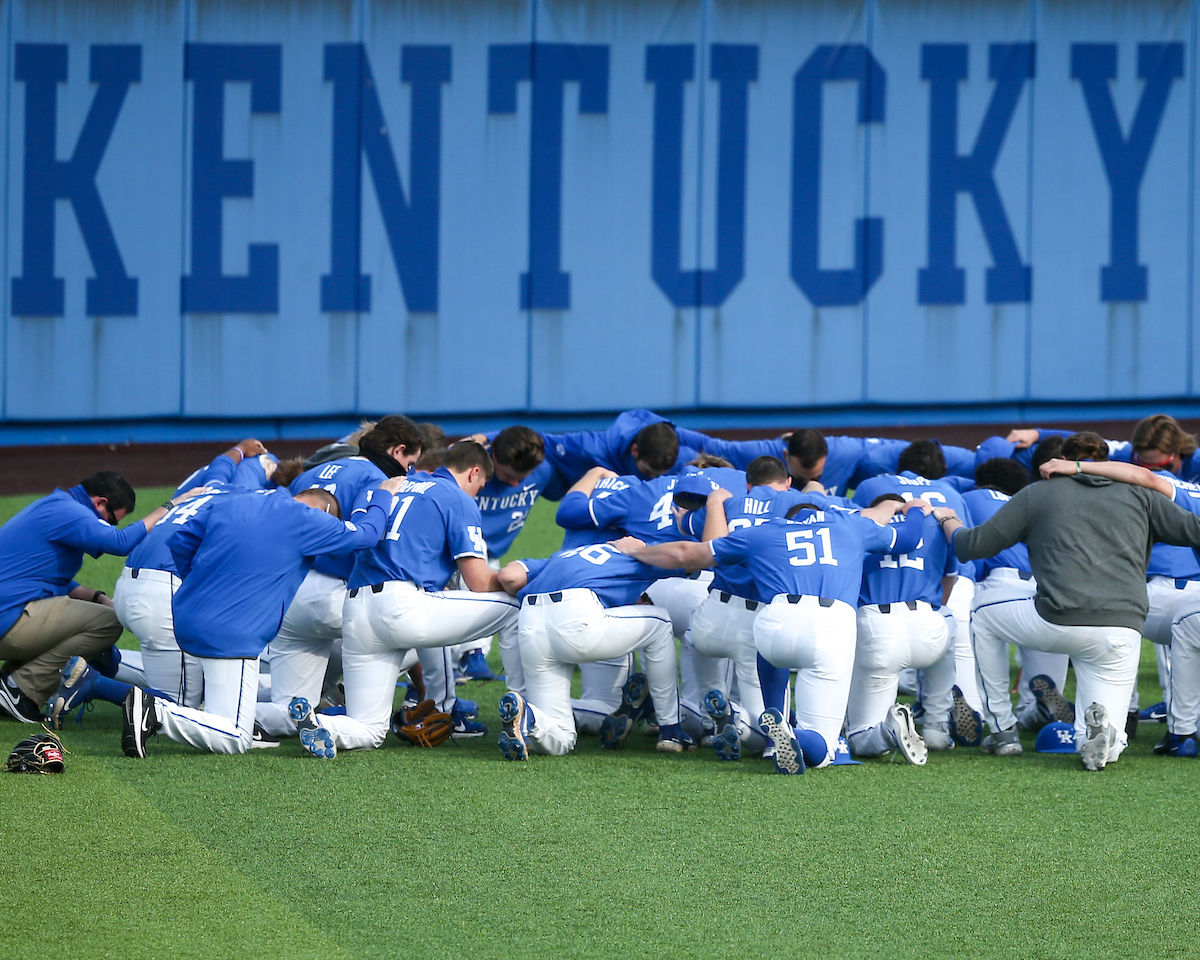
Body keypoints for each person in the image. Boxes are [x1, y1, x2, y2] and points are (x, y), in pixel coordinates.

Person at [932, 431, 1200, 771]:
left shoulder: (1039, 493)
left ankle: (1003, 729)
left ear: (1060, 460)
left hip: (1056, 619)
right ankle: (1106, 737)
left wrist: (948, 520)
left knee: (980, 612)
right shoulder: (1141, 496)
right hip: (1122, 628)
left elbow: (971, 546)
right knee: (1108, 741)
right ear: (1107, 462)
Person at [614, 496, 930, 772]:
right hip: (831, 624)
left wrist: (640, 551)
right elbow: (909, 538)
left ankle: (774, 721)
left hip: (775, 620)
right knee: (822, 748)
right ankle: (792, 734)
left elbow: (687, 554)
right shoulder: (850, 525)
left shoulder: (765, 531)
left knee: (771, 649)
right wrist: (915, 510)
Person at [120, 479, 404, 758]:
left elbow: (180, 542)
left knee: (220, 710)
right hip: (234, 631)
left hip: (187, 616)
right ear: (325, 513)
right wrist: (383, 494)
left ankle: (178, 711)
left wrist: (200, 584)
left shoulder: (236, 501)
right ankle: (157, 711)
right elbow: (366, 535)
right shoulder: (308, 519)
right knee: (235, 737)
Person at [308, 442, 520, 757]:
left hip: (355, 607)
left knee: (369, 728)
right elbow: (478, 581)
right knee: (516, 607)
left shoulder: (391, 486)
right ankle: (525, 711)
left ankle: (319, 724)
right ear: (474, 472)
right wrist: (523, 578)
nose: (477, 492)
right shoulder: (456, 497)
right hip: (402, 604)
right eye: (481, 485)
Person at [256, 416, 423, 740]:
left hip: (289, 595)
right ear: (398, 450)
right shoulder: (377, 479)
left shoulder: (312, 472)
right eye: (410, 462)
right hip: (334, 597)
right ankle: (357, 701)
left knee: (288, 712)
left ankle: (223, 714)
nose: (409, 471)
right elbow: (365, 536)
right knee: (416, 629)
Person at [1037, 453, 1200, 758]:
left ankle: (1178, 731)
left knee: (1169, 622)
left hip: (1149, 597)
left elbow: (1145, 477)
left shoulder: (1186, 492)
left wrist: (1077, 466)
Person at [0, 472, 187, 722]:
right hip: (7, 620)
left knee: (92, 614)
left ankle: (10, 679)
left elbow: (45, 575)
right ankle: (21, 688)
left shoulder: (55, 505)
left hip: (8, 614)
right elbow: (120, 543)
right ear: (100, 503)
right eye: (111, 520)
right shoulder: (71, 512)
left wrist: (96, 597)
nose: (110, 526)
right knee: (109, 622)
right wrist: (169, 506)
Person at [493, 540, 693, 759]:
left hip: (530, 623)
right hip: (576, 615)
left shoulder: (567, 555)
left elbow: (511, 577)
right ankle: (670, 730)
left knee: (563, 740)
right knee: (660, 621)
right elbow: (690, 559)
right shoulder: (638, 555)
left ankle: (530, 717)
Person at [669, 457, 807, 760]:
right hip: (757, 624)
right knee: (768, 727)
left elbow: (688, 525)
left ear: (748, 484)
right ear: (788, 482)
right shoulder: (799, 502)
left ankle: (713, 720)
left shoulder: (729, 503)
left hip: (710, 618)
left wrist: (703, 508)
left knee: (694, 642)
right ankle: (739, 722)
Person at [961, 457, 1070, 734]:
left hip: (997, 582)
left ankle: (980, 711)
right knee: (1045, 650)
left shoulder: (971, 498)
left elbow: (970, 553)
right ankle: (1039, 709)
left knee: (976, 630)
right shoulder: (1035, 500)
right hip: (1048, 586)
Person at [847, 492, 957, 760]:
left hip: (877, 629)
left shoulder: (858, 525)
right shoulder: (935, 526)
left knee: (860, 738)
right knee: (949, 617)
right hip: (928, 628)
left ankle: (888, 731)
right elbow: (949, 580)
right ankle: (937, 723)